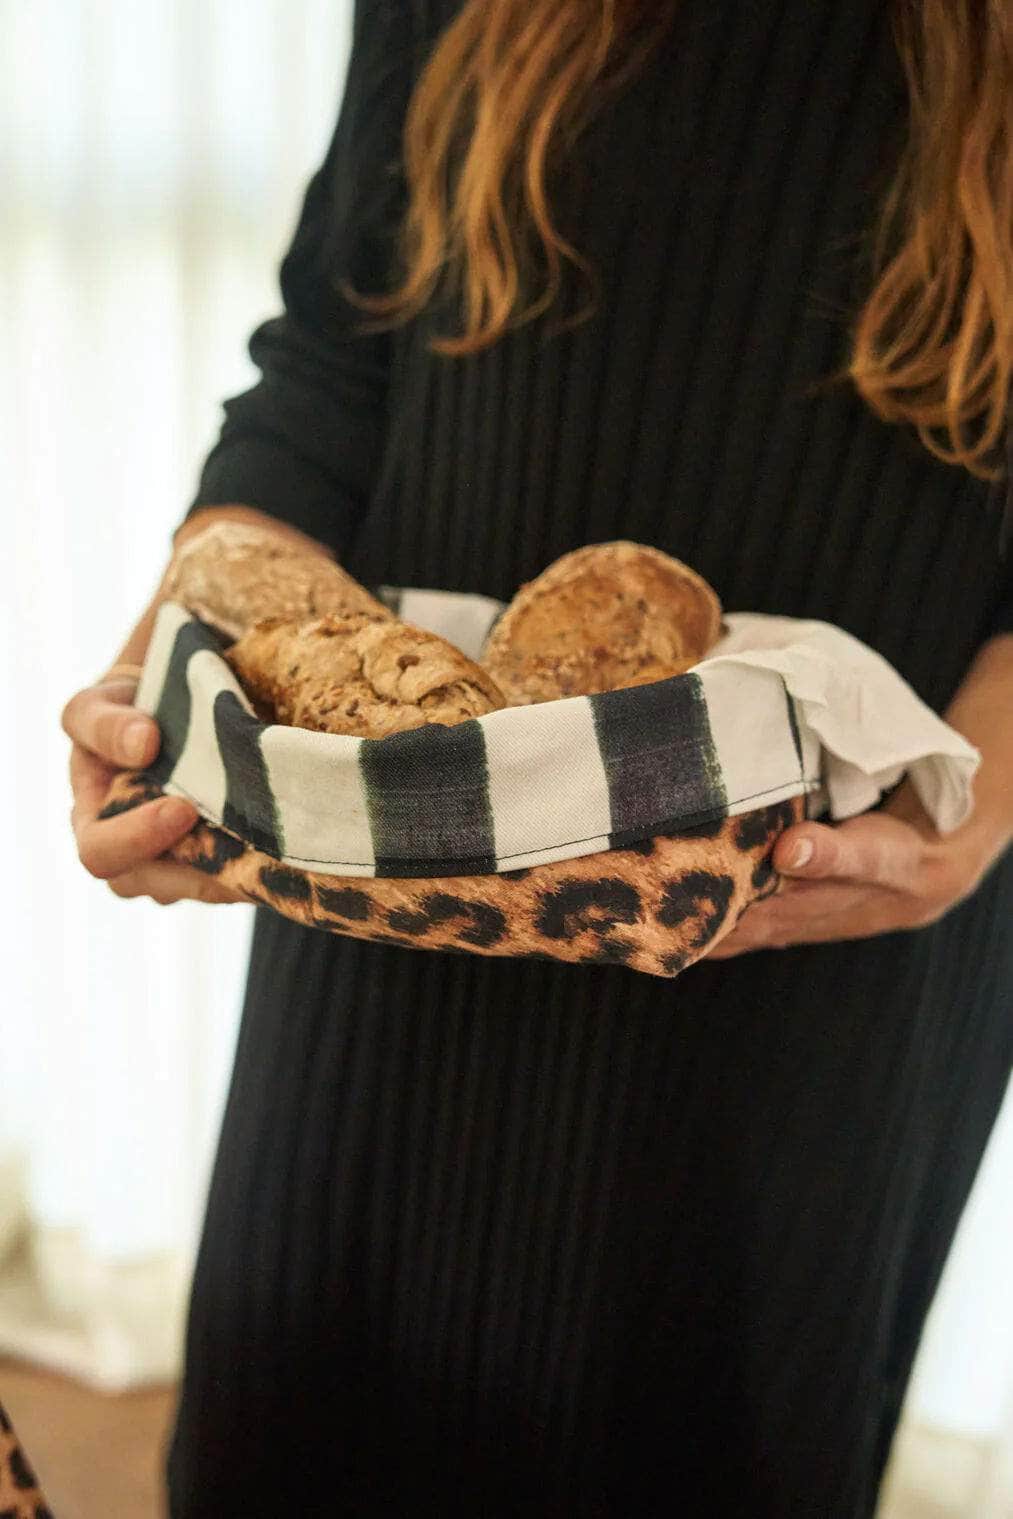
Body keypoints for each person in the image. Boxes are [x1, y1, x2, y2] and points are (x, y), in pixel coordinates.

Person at [61, 2, 1013, 1514]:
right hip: (397, 870)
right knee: (307, 1437)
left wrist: (976, 808)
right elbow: (332, 353)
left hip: (824, 913)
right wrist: (168, 663)